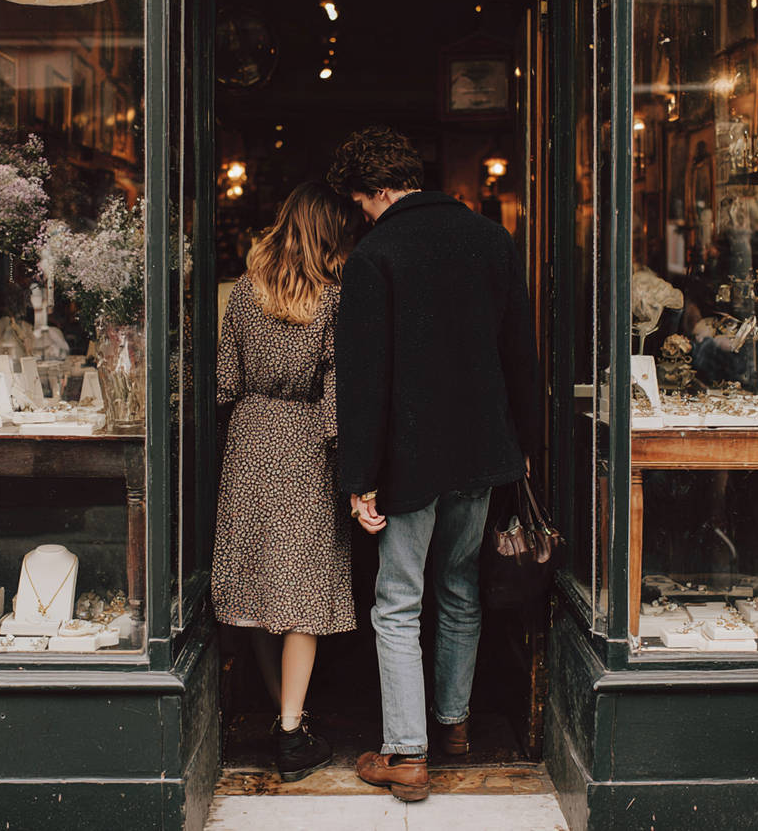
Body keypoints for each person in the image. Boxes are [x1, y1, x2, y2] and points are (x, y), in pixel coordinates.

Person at [328, 127, 539, 803]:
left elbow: (364, 383)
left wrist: (358, 478)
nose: (363, 215)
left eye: (362, 203)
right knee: (458, 588)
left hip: (409, 462)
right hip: (481, 455)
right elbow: (520, 359)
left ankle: (408, 754)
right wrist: (524, 446)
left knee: (396, 603)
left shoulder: (376, 255)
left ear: (382, 191)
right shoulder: (492, 241)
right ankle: (452, 725)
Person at [212, 181, 361, 782]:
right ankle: (292, 731)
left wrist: (250, 411)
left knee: (255, 585)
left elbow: (224, 380)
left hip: (249, 437)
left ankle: (284, 713)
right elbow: (335, 397)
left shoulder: (244, 293)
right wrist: (350, 463)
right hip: (302, 443)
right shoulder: (333, 300)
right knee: (301, 592)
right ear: (330, 233)